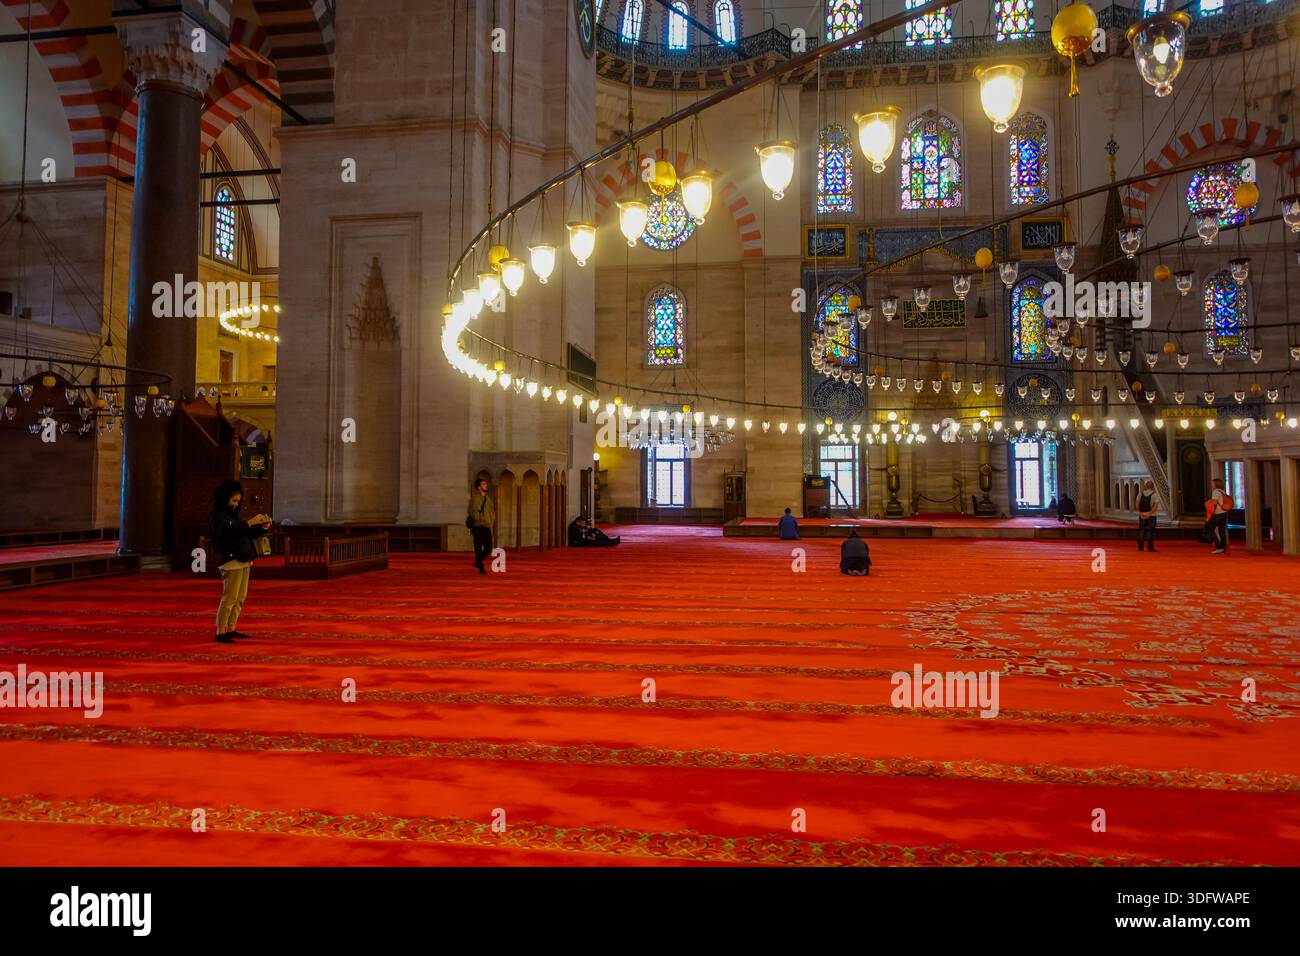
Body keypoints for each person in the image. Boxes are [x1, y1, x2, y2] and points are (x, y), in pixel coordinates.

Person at [207, 479, 271, 644]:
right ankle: (221, 631)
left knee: (240, 597)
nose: (236, 504)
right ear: (224, 498)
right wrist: (249, 522)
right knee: (230, 597)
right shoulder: (217, 516)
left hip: (244, 558)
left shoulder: (233, 516)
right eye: (233, 500)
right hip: (230, 559)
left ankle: (231, 628)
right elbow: (227, 531)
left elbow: (245, 533)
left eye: (238, 501)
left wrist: (262, 527)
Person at [467, 477, 495, 574]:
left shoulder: (487, 498)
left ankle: (478, 562)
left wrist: (491, 520)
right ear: (478, 487)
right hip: (478, 526)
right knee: (478, 547)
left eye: (485, 484)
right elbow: (473, 511)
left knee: (488, 547)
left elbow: (492, 510)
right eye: (483, 484)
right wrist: (480, 519)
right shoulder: (475, 498)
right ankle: (480, 567)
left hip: (486, 525)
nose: (486, 485)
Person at [1206, 477, 1232, 554]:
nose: (1211, 484)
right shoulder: (1222, 492)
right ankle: (1223, 548)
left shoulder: (1215, 492)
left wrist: (1210, 511)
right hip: (1224, 512)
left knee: (1209, 529)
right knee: (1222, 531)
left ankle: (1218, 546)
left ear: (1216, 484)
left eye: (1212, 483)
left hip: (1218, 513)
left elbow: (1214, 503)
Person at [1135, 480, 1158, 552]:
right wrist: (1149, 514)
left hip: (1142, 515)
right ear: (1153, 486)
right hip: (1151, 516)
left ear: (1146, 486)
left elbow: (1137, 503)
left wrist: (1140, 513)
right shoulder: (1154, 494)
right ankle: (1150, 548)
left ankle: (1140, 547)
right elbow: (1155, 506)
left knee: (1141, 531)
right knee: (1150, 531)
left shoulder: (1140, 493)